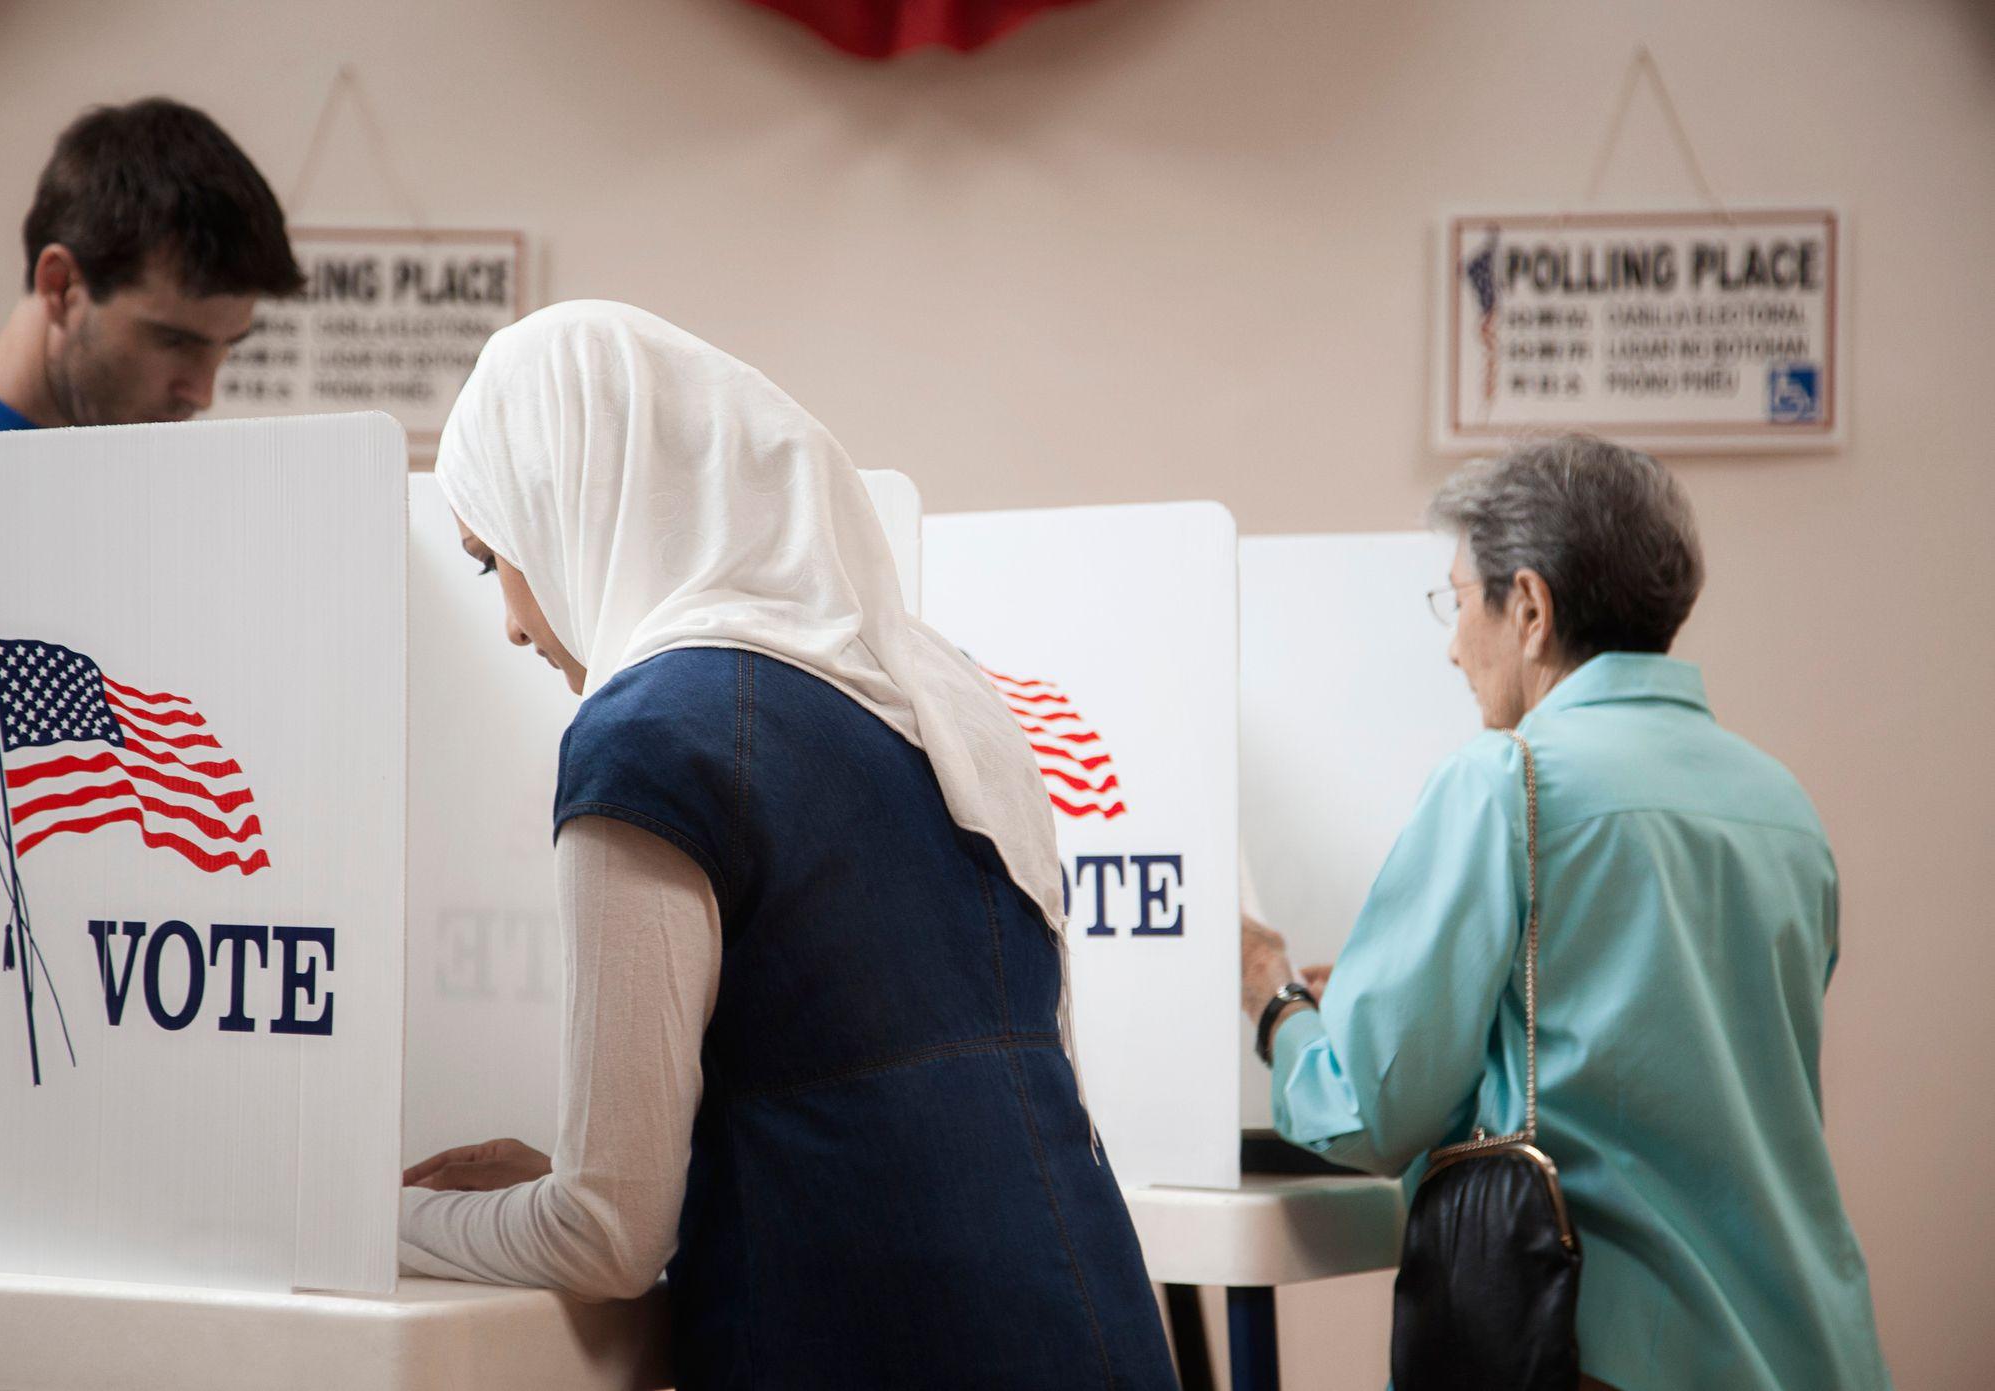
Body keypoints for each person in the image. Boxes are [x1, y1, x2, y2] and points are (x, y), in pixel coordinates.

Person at [397, 301, 1177, 1390]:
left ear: (574, 497)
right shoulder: (942, 695)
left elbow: (603, 1240)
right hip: (1094, 1323)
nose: (515, 624)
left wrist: (374, 1215)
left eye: (495, 561)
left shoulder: (647, 738)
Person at [1238, 435, 1889, 1391]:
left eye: (1459, 602)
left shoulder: (1507, 780)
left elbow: (1368, 1111)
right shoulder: (1779, 802)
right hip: (1810, 1352)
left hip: (1598, 1356)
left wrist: (1278, 1003)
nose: (1453, 643)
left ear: (1530, 608)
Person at [0, 97, 301, 1306]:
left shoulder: (136, 478)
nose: (201, 386)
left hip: (120, 1015)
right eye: (171, 341)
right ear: (60, 284)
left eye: (224, 349)